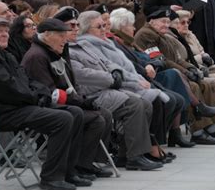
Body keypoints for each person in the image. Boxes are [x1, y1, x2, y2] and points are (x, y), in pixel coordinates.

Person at [0, 17, 86, 190]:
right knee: (63, 118)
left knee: (75, 112)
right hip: (2, 111)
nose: (4, 34)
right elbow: (6, 87)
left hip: (19, 106)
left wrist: (42, 93)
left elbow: (27, 80)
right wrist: (35, 97)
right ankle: (51, 177)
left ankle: (67, 171)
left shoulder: (4, 54)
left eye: (6, 31)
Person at [68, 11, 163, 171]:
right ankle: (135, 157)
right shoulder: (69, 50)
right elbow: (83, 75)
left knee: (145, 103)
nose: (104, 29)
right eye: (100, 26)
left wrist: (116, 71)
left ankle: (126, 154)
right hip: (91, 94)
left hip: (108, 89)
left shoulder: (85, 45)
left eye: (105, 25)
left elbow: (107, 63)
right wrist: (112, 78)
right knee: (135, 104)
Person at [21, 17, 113, 178]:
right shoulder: (37, 56)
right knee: (93, 118)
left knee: (104, 114)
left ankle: (86, 162)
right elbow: (49, 92)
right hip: (45, 104)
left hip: (62, 101)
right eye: (61, 36)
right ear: (47, 35)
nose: (65, 40)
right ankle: (76, 166)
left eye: (65, 36)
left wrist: (81, 99)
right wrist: (80, 102)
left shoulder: (52, 51)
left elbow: (67, 83)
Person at [135, 9, 215, 145]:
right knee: (194, 87)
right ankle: (198, 130)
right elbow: (162, 60)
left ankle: (213, 125)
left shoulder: (161, 34)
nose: (166, 25)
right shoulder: (147, 34)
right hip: (159, 74)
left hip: (173, 72)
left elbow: (178, 58)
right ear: (151, 21)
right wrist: (186, 72)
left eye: (168, 22)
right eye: (163, 21)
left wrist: (191, 68)